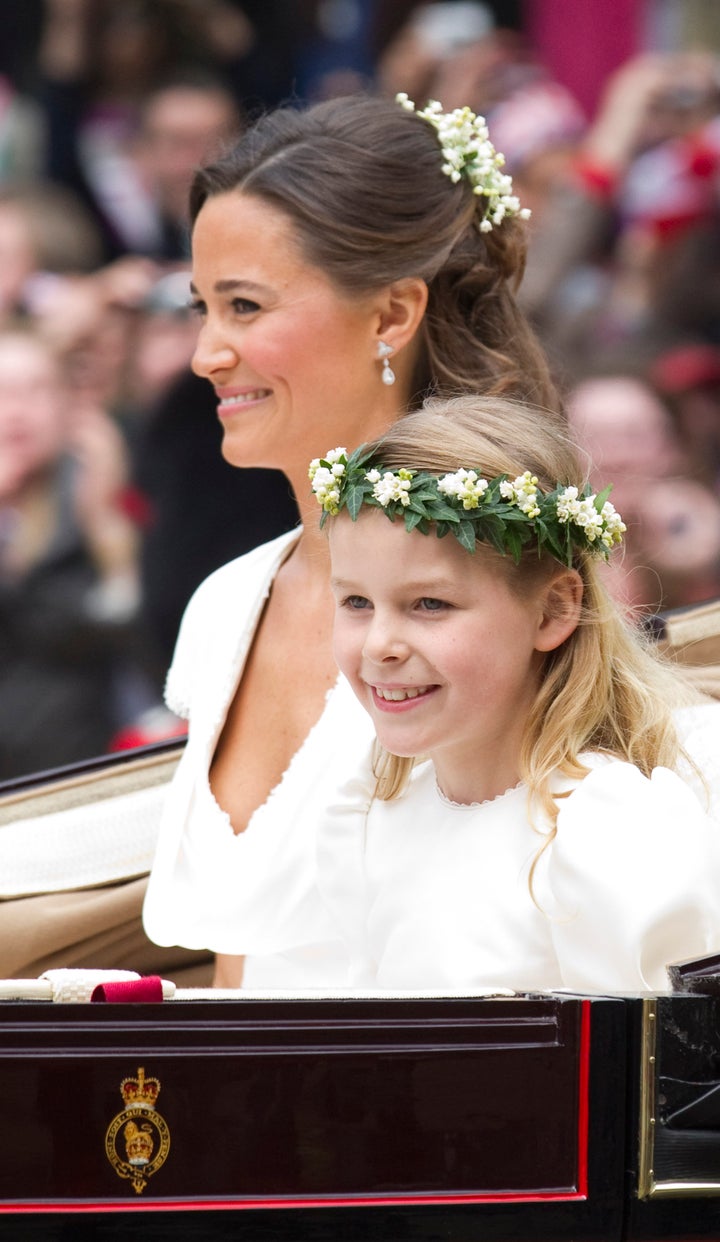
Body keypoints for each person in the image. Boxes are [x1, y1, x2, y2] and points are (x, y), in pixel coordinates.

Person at [142, 91, 558, 988]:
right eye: (201, 308)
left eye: (245, 306)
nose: (206, 353)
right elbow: (238, 974)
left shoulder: (502, 592)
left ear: (390, 317)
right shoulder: (225, 606)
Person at [312, 394, 720, 993]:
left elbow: (660, 1073)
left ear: (554, 609)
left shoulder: (601, 830)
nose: (379, 646)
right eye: (356, 602)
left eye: (430, 604)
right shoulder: (371, 819)